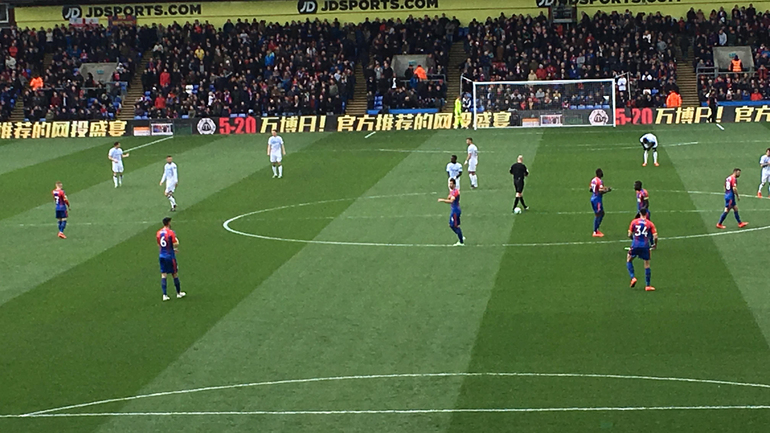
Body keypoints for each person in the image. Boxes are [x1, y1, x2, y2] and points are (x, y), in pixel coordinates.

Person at [627, 208, 657, 292]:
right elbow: (655, 236)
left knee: (629, 259)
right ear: (646, 214)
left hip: (635, 244)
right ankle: (648, 285)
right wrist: (654, 244)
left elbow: (629, 234)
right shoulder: (650, 223)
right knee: (646, 264)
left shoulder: (634, 222)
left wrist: (633, 239)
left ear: (639, 213)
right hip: (645, 245)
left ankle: (633, 277)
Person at [157, 217, 185, 301]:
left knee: (163, 274)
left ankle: (164, 295)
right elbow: (175, 243)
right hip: (169, 256)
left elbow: (159, 245)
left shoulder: (159, 232)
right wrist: (174, 248)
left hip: (161, 255)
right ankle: (178, 293)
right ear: (168, 223)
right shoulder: (170, 232)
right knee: (174, 274)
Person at [438, 178, 464, 246]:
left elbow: (451, 201)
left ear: (454, 184)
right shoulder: (454, 191)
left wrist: (442, 200)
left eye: (451, 184)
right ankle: (460, 236)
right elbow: (449, 197)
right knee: (454, 225)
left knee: (453, 226)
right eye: (449, 183)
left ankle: (461, 241)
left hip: (455, 211)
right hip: (456, 209)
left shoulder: (455, 192)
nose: (450, 185)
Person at [590, 168, 612, 237]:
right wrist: (607, 190)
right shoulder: (599, 181)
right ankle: (595, 231)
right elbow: (600, 190)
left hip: (593, 198)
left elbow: (590, 189)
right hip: (597, 199)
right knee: (599, 214)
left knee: (601, 213)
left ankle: (596, 230)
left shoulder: (593, 180)